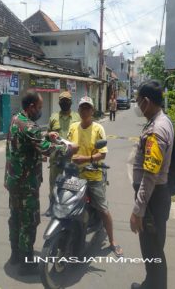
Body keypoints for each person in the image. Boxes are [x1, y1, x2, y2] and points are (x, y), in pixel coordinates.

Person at [4, 90, 78, 275]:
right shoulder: (30, 127)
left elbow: (30, 140)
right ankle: (26, 263)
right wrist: (67, 148)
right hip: (26, 184)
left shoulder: (16, 120)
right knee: (28, 222)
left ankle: (15, 254)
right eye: (39, 107)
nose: (41, 110)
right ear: (31, 107)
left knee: (15, 218)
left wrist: (47, 135)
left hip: (12, 180)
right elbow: (46, 150)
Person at [130, 80, 174, 289]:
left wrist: (138, 210)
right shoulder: (161, 120)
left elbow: (150, 175)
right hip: (156, 197)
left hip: (152, 198)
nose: (137, 107)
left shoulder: (157, 130)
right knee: (152, 249)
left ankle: (155, 285)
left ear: (146, 102)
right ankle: (150, 283)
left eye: (138, 102)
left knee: (153, 250)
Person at [67, 96, 123, 257]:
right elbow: (68, 146)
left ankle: (112, 241)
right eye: (82, 108)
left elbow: (102, 154)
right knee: (68, 206)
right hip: (75, 175)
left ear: (92, 111)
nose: (85, 111)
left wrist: (86, 159)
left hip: (93, 175)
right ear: (78, 111)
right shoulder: (73, 127)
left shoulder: (98, 128)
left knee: (103, 209)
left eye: (88, 108)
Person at [46, 91, 80, 216]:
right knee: (54, 183)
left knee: (72, 183)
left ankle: (70, 207)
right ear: (59, 102)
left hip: (73, 156)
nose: (65, 103)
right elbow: (48, 136)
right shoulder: (53, 117)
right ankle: (52, 205)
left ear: (71, 102)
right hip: (56, 156)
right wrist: (46, 152)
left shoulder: (77, 117)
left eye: (67, 100)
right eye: (62, 101)